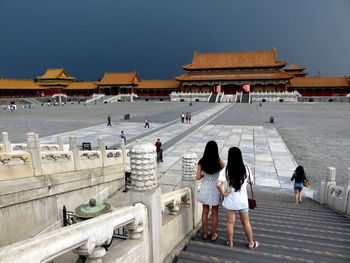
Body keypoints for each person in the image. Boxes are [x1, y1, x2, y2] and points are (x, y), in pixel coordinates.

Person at [217, 147, 259, 249]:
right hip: (242, 201)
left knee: (230, 223)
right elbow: (252, 182)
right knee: (246, 222)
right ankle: (251, 243)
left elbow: (218, 184)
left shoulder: (226, 170)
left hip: (231, 201)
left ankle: (230, 243)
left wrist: (224, 193)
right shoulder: (246, 168)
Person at [196, 141, 225, 242]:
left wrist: (205, 175)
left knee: (205, 212)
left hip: (204, 188)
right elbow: (224, 174)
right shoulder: (219, 162)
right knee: (215, 213)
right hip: (215, 190)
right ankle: (213, 235)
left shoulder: (201, 161)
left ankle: (204, 233)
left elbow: (198, 177)